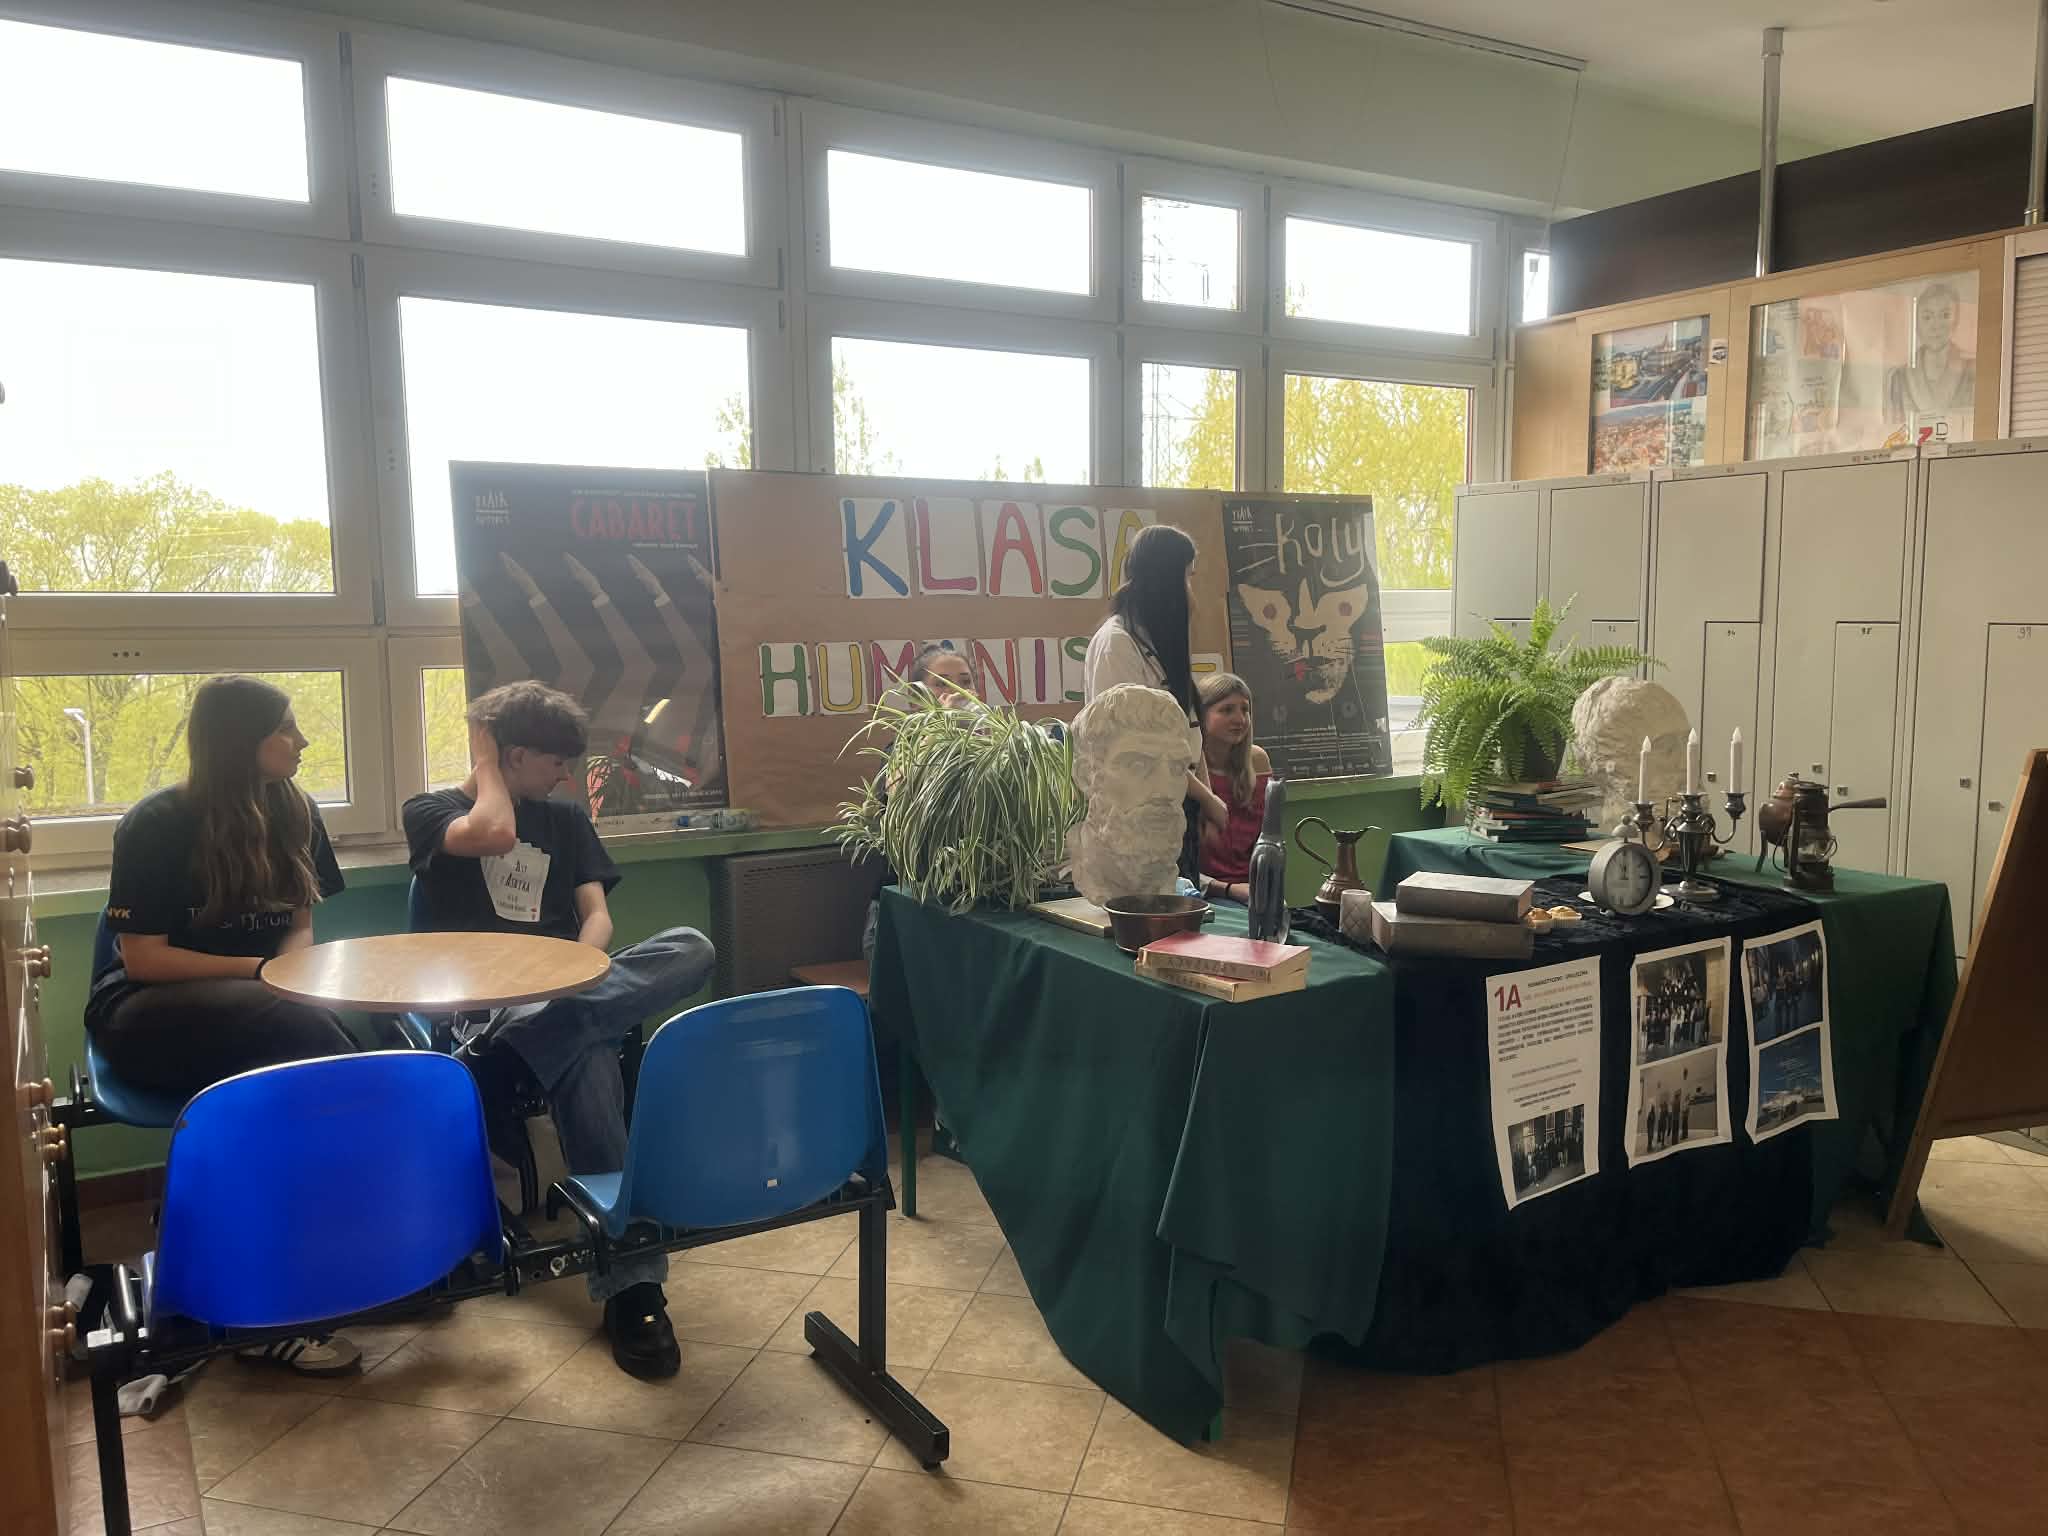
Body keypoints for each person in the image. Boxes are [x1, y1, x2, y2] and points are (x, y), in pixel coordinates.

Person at [403, 682, 715, 1381]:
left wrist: (578, 969)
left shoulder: (567, 820)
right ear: (512, 754)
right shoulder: (431, 812)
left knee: (690, 947)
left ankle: (507, 1068)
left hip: (567, 992)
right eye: (554, 762)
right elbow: (494, 834)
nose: (566, 776)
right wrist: (486, 762)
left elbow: (595, 916)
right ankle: (634, 1290)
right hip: (485, 1009)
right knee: (589, 1059)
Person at [87, 675, 362, 1376]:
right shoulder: (155, 823)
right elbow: (144, 960)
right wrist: (266, 976)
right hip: (145, 1013)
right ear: (241, 741)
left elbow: (300, 928)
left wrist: (292, 979)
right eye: (286, 728)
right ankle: (279, 1293)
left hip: (263, 1012)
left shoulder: (296, 808)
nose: (302, 741)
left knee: (308, 1065)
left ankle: (292, 1278)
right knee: (318, 1055)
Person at [1082, 523, 1225, 880]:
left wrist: (1203, 799)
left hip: (1178, 803)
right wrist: (1207, 799)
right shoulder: (1117, 644)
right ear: (1166, 580)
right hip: (1138, 816)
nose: (1191, 594)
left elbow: (1188, 729)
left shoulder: (1157, 639)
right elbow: (1137, 744)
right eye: (1187, 578)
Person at [1192, 673, 1272, 904]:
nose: (1240, 719)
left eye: (1245, 710)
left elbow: (1266, 841)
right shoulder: (1188, 768)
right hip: (1202, 892)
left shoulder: (1257, 761)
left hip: (1251, 891)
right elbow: (1179, 865)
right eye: (1227, 710)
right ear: (1200, 716)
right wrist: (1229, 889)